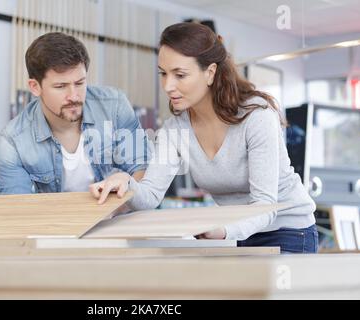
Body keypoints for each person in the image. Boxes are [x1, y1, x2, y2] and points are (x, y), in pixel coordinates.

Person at [90, 22, 318, 254]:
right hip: (234, 234)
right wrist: (126, 183)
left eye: (180, 75)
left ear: (210, 73)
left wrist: (224, 231)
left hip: (289, 230)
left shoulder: (257, 116)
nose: (168, 86)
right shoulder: (174, 129)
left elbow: (265, 206)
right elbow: (150, 196)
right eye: (163, 73)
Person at [0, 32, 149, 194]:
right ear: (35, 87)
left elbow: (143, 170)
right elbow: (17, 208)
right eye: (60, 86)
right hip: (54, 219)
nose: (74, 96)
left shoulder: (114, 106)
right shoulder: (13, 141)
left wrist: (125, 185)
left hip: (118, 216)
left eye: (79, 83)